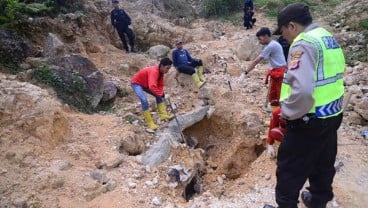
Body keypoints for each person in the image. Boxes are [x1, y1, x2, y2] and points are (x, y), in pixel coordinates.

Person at [263, 3, 345, 208]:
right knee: (323, 163)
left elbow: (303, 91)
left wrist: (288, 114)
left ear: (291, 25)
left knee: (289, 169)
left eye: (282, 31)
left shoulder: (303, 43)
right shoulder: (326, 36)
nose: (283, 37)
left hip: (308, 119)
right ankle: (318, 201)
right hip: (332, 114)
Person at [244, 27, 287, 109]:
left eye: (260, 39)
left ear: (265, 36)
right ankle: (275, 115)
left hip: (280, 73)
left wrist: (245, 72)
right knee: (274, 96)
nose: (259, 42)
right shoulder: (273, 44)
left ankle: (282, 117)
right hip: (276, 72)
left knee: (281, 96)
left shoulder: (271, 46)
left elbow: (256, 61)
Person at [131, 58, 174, 130]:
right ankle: (150, 123)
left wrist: (162, 94)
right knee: (144, 100)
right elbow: (152, 87)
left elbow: (160, 85)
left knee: (159, 95)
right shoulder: (154, 71)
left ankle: (163, 115)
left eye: (169, 69)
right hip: (136, 83)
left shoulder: (161, 72)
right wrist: (162, 94)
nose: (168, 70)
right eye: (167, 68)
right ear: (162, 66)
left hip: (145, 84)